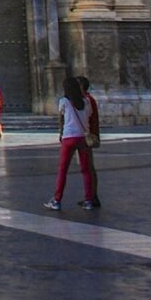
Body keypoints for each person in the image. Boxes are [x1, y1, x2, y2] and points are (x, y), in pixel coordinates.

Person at [45, 76, 99, 212]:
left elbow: (61, 120)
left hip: (68, 138)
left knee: (63, 170)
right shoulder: (87, 102)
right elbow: (89, 116)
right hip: (83, 138)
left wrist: (60, 134)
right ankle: (88, 200)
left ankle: (57, 200)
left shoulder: (64, 102)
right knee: (86, 170)